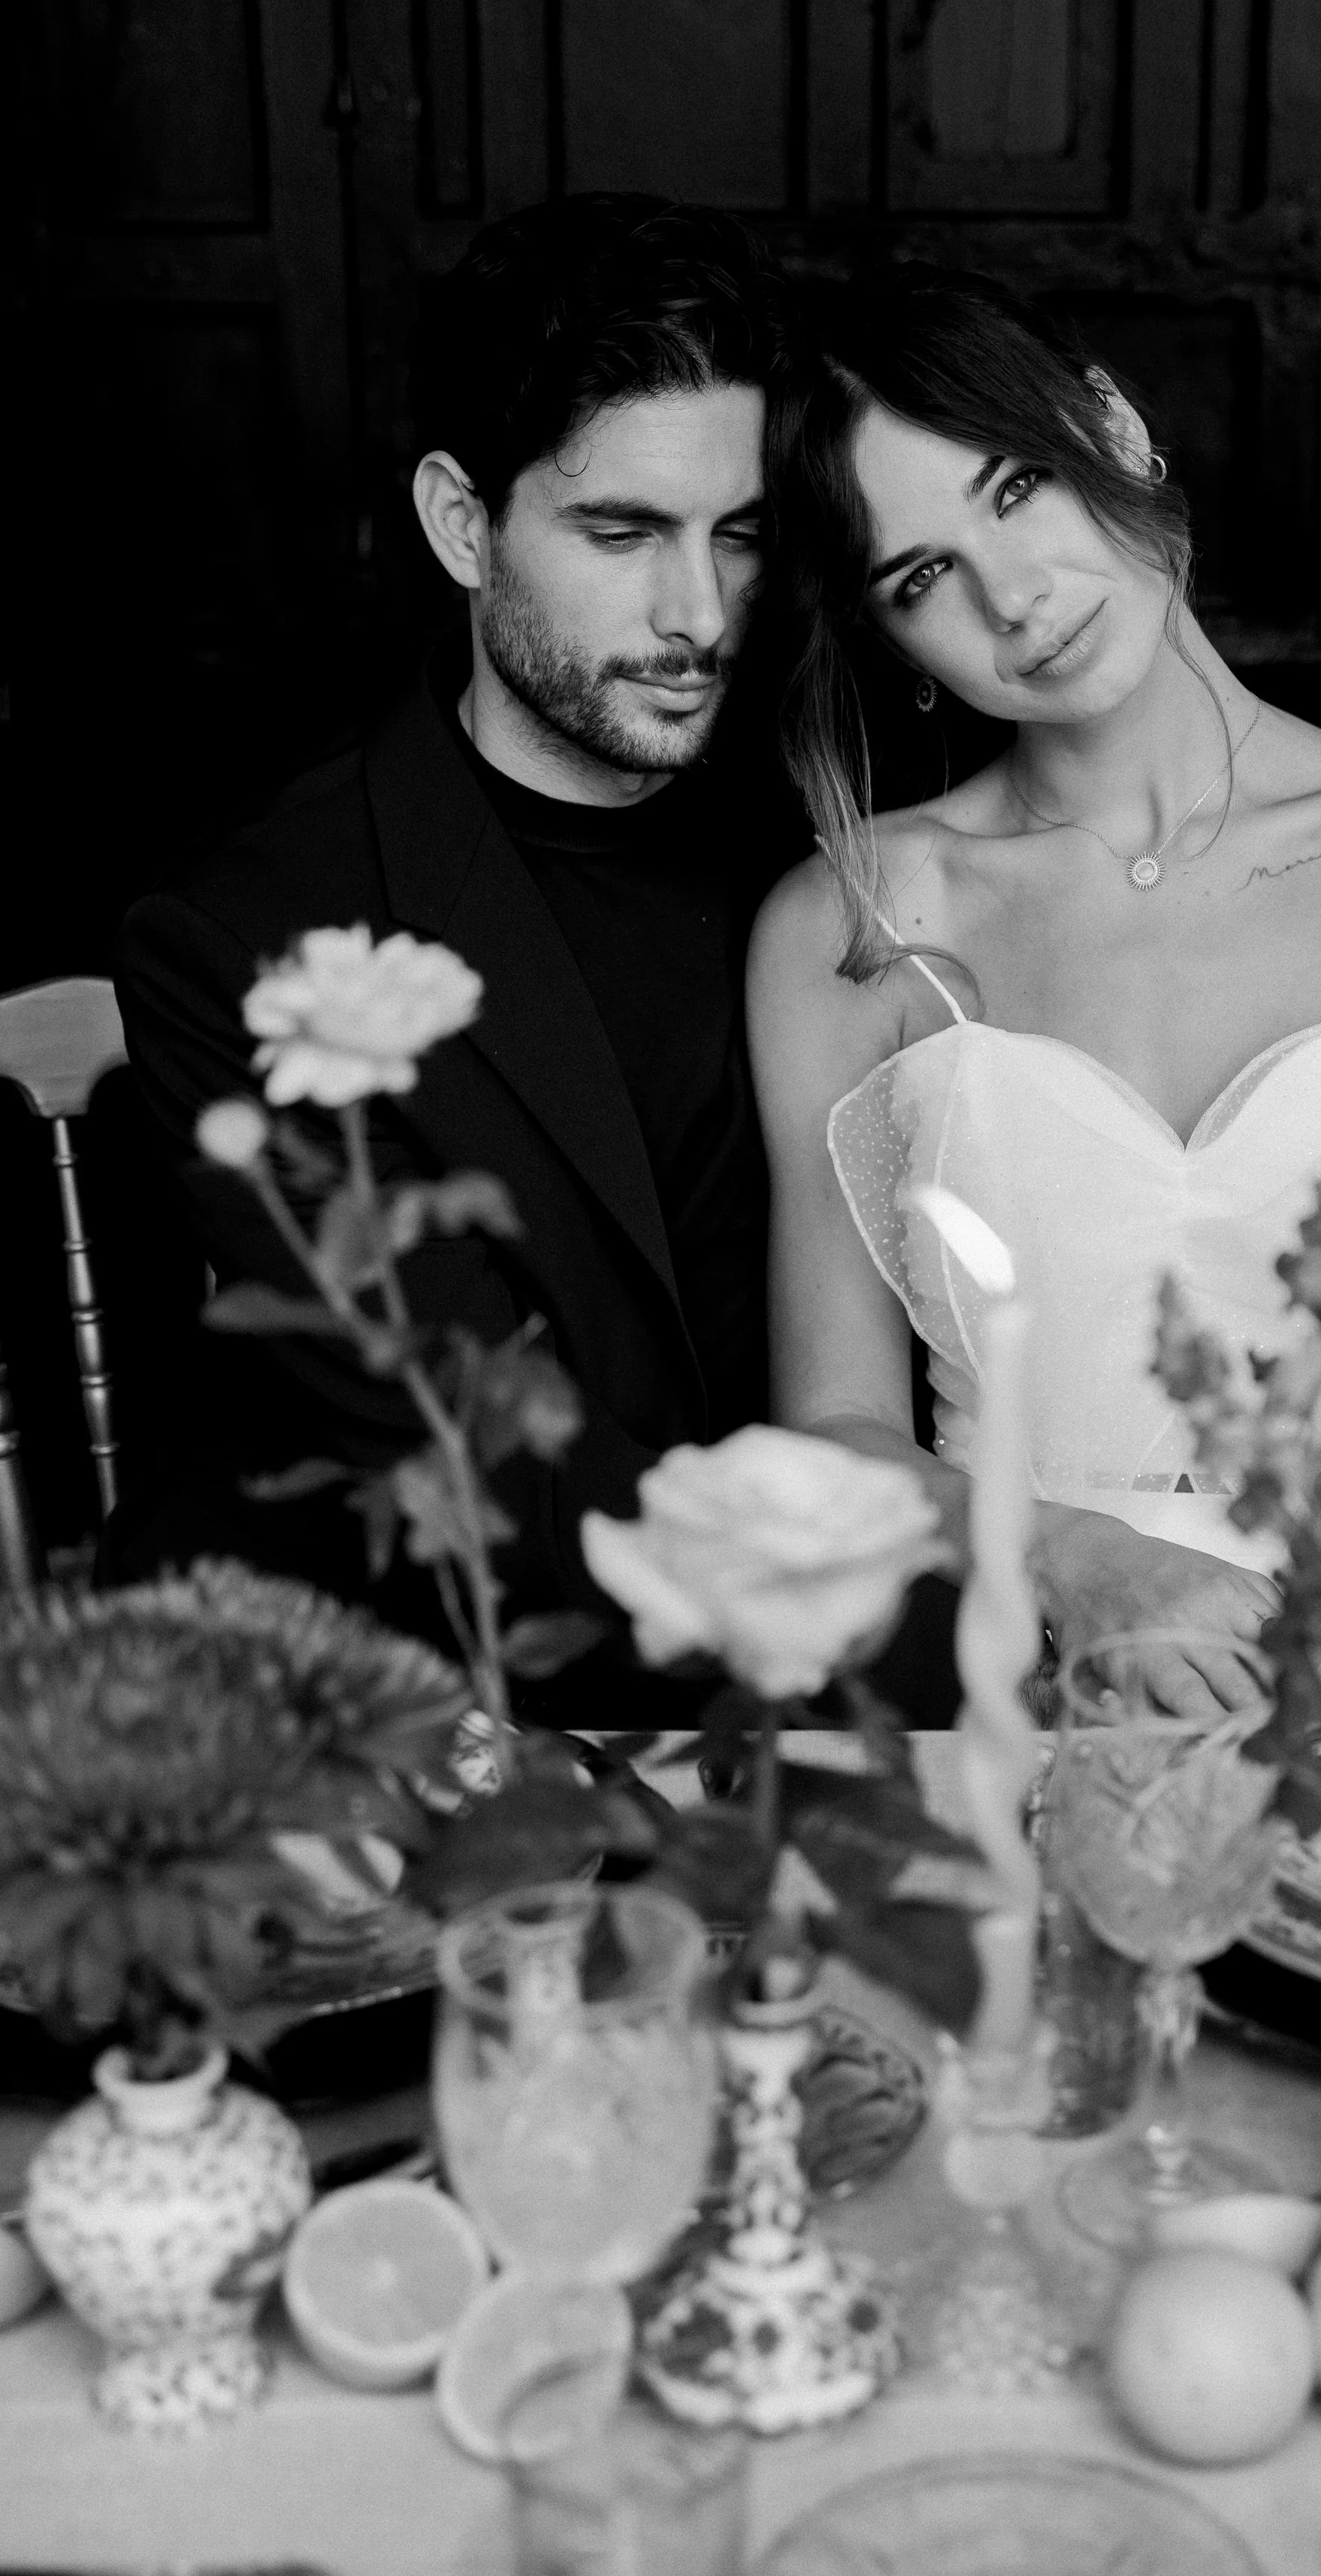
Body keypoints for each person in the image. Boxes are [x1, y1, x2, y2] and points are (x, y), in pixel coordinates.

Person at [747, 269, 1321, 1708]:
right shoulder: (858, 925)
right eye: (921, 576)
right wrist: (1078, 1567)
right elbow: (834, 1431)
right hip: (1018, 1678)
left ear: (1118, 432)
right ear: (888, 639)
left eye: (1017, 488)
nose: (1012, 599)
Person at [110, 194, 863, 1715]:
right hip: (465, 1720)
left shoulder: (828, 842)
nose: (698, 613)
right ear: (463, 523)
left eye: (736, 538)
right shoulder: (249, 939)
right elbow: (465, 1453)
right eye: (619, 532)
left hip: (828, 1702)